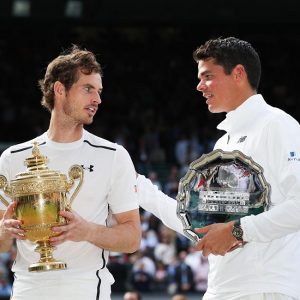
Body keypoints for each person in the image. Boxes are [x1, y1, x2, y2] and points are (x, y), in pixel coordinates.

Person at [137, 37, 300, 300]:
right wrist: (138, 188)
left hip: (265, 288)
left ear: (238, 73)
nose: (199, 86)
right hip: (221, 289)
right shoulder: (223, 142)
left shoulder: (278, 125)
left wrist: (237, 230)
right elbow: (203, 227)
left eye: (208, 76)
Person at [0, 45, 141, 300]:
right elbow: (1, 243)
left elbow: (132, 238)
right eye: (88, 89)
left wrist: (87, 231)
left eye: (98, 91)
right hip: (26, 290)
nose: (97, 99)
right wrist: (4, 231)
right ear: (59, 89)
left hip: (85, 290)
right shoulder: (13, 158)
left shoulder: (113, 155)